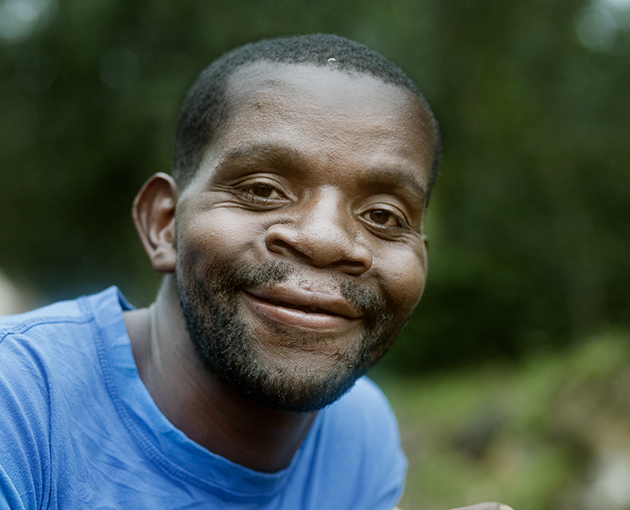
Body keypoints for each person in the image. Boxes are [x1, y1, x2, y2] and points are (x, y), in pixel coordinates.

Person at [0, 34, 510, 510]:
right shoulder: (21, 403)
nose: (326, 240)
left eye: (383, 216)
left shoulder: (359, 433)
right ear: (163, 225)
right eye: (262, 189)